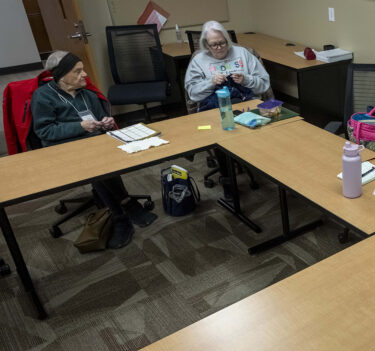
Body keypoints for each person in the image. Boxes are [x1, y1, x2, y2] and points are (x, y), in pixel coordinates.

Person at [30, 51, 157, 249]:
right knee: (98, 167)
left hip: (93, 143)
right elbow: (44, 131)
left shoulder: (87, 94)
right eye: (78, 71)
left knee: (101, 163)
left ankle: (122, 209)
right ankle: (122, 211)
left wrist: (107, 122)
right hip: (63, 147)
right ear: (61, 75)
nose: (85, 75)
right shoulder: (43, 96)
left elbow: (101, 118)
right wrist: (79, 126)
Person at [184, 21, 270, 198]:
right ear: (206, 45)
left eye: (222, 42)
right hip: (215, 110)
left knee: (261, 128)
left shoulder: (243, 54)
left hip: (245, 105)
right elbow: (192, 94)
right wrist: (211, 82)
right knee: (223, 136)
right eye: (214, 45)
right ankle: (227, 181)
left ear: (227, 40)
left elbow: (264, 85)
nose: (219, 47)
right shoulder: (199, 61)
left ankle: (267, 169)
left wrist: (246, 79)